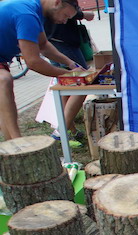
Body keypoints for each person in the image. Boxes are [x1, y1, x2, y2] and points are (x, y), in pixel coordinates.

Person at [0, 0, 83, 140]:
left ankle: (13, 144)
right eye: (66, 16)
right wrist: (70, 74)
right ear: (57, 2)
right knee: (4, 80)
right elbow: (33, 62)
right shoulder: (27, 15)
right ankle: (18, 143)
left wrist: (71, 64)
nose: (64, 22)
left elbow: (43, 45)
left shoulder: (33, 9)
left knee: (4, 92)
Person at [45, 4, 94, 147]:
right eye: (65, 16)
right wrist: (82, 14)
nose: (65, 19)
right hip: (63, 41)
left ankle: (68, 130)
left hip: (52, 40)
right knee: (81, 84)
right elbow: (66, 8)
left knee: (65, 86)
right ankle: (61, 131)